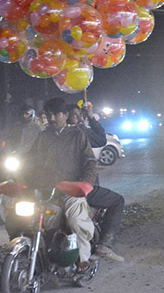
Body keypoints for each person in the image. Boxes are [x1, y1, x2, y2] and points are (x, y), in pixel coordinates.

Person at [23, 97, 98, 271]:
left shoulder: (77, 135)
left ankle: (83, 259)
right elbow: (30, 160)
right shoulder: (42, 137)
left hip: (72, 191)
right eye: (49, 115)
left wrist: (85, 184)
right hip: (47, 191)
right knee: (36, 221)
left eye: (56, 114)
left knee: (74, 219)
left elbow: (90, 162)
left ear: (65, 115)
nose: (52, 119)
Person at [67, 103, 125, 262]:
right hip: (80, 187)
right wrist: (91, 118)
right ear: (64, 116)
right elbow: (100, 139)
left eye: (80, 115)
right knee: (117, 201)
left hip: (57, 187)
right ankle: (105, 245)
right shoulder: (79, 132)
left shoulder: (49, 134)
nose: (79, 118)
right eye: (75, 115)